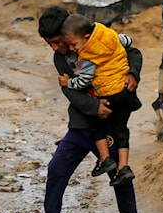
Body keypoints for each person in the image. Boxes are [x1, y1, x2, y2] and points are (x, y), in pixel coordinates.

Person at [19, 6, 148, 213]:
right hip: (82, 125)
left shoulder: (99, 40)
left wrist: (133, 73)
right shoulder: (61, 58)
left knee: (120, 177)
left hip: (109, 123)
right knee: (57, 168)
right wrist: (93, 107)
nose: (55, 48)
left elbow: (133, 51)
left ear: (69, 34)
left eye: (57, 42)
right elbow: (69, 90)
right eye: (50, 44)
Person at [58, 13, 141, 186]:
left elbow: (84, 81)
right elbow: (128, 40)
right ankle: (124, 167)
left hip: (109, 94)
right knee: (121, 130)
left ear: (86, 37)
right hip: (125, 92)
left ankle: (105, 159)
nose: (73, 49)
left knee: (96, 124)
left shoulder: (88, 55)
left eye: (74, 44)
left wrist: (68, 82)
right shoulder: (110, 35)